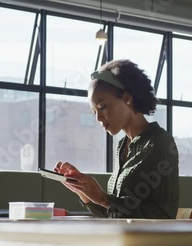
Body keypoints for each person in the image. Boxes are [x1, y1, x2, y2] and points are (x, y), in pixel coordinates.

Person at [54, 60, 179, 219]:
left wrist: (103, 198)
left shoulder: (160, 142)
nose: (98, 117)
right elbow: (113, 212)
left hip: (146, 242)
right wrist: (84, 191)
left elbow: (164, 215)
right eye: (94, 112)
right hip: (120, 239)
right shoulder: (121, 146)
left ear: (127, 98)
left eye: (102, 107)